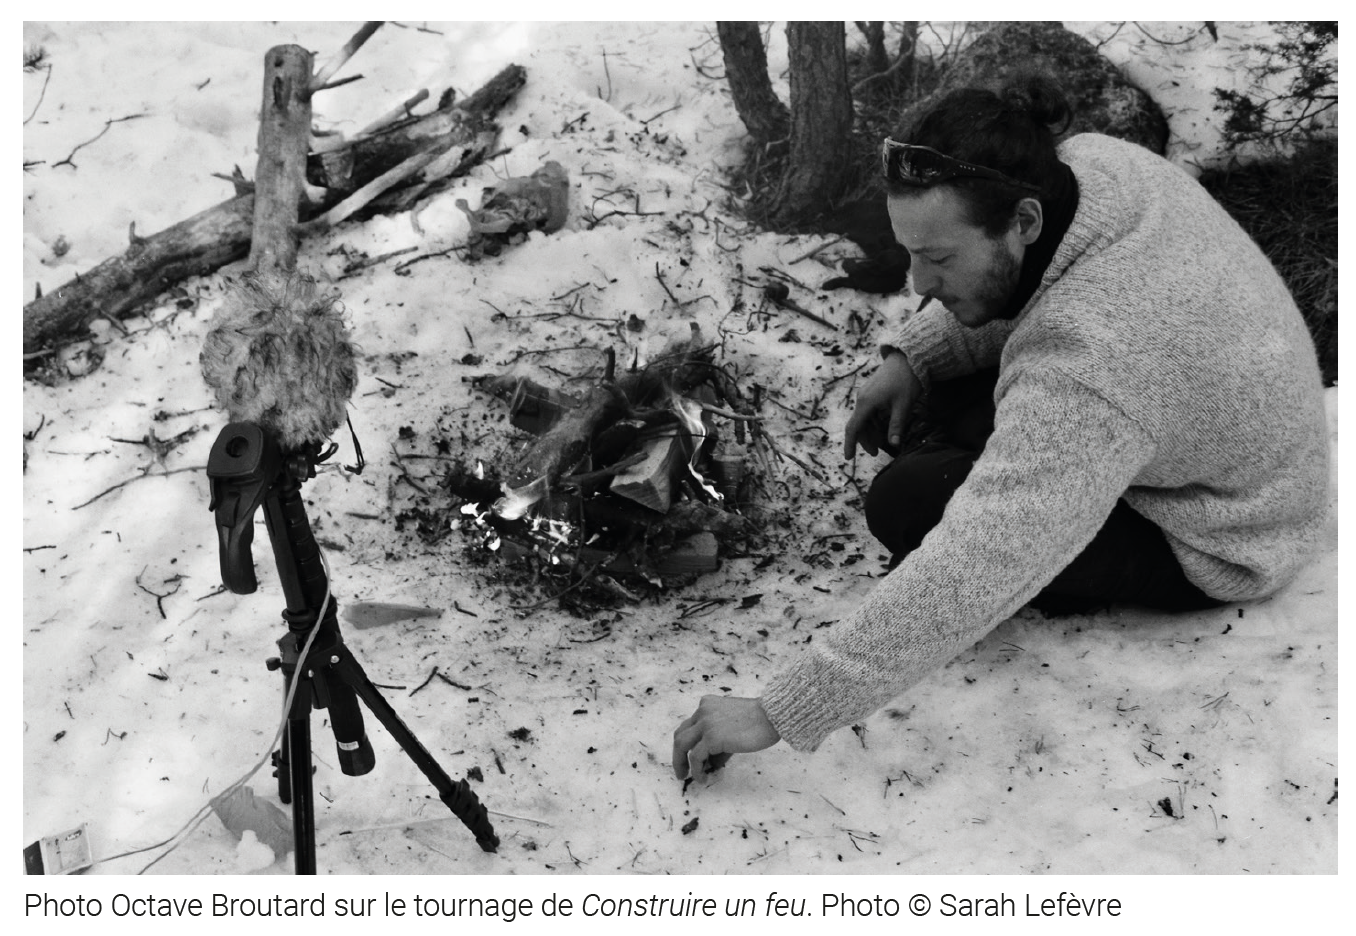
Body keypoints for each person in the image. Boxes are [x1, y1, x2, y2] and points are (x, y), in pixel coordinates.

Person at [671, 74, 1329, 782]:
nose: (917, 284)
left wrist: (780, 709)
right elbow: (1040, 288)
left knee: (908, 502)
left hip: (1225, 530)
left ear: (1022, 221)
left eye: (941, 258)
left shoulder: (1094, 363)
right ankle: (1008, 445)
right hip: (1212, 425)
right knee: (941, 394)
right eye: (912, 251)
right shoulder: (1091, 166)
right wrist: (914, 356)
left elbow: (980, 559)